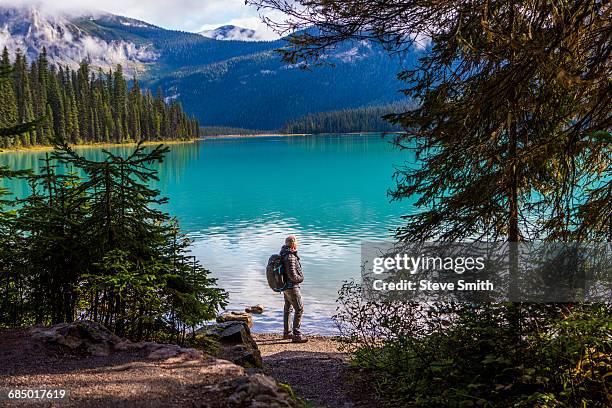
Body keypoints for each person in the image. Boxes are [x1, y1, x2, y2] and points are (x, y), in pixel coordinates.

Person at [280, 235, 307, 343]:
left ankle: (287, 333)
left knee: (288, 309)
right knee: (299, 309)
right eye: (296, 242)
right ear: (293, 243)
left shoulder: (283, 254)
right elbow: (292, 275)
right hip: (292, 287)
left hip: (286, 287)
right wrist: (301, 278)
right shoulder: (290, 256)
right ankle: (296, 334)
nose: (297, 244)